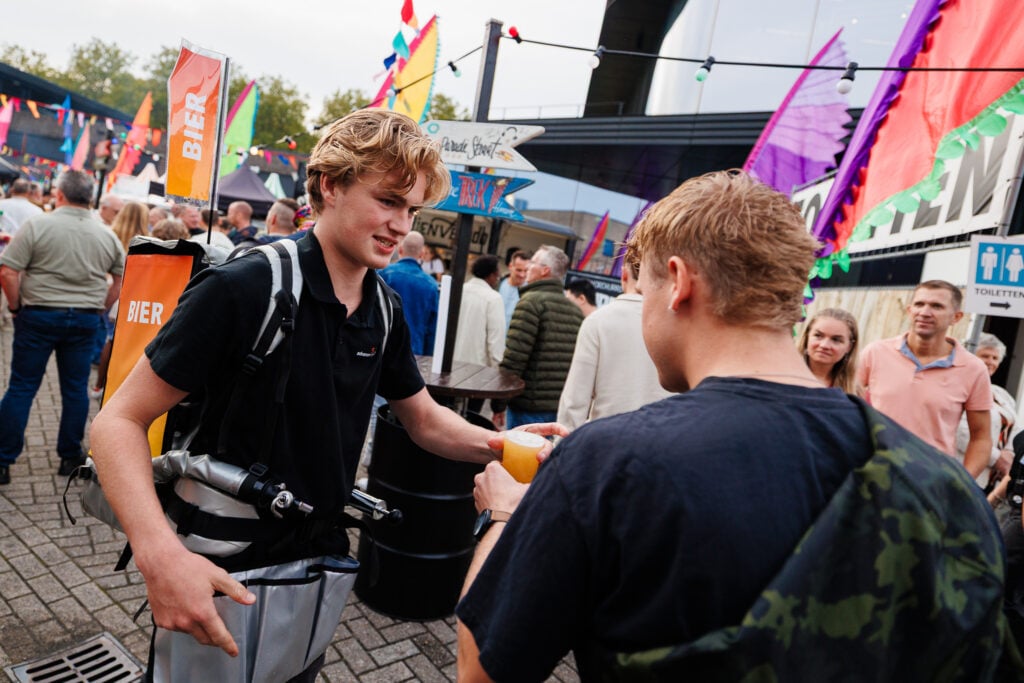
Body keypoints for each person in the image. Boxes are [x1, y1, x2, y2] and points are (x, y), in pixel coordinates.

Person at [456, 170, 1011, 682]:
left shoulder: (605, 465)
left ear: (677, 282)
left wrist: (505, 516)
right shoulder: (945, 487)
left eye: (643, 290)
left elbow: (485, 671)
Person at [89, 109, 504, 682]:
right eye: (388, 200)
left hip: (317, 567)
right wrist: (159, 555)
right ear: (329, 186)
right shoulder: (245, 286)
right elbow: (117, 422)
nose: (401, 225)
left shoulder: (384, 308)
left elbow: (426, 420)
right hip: (222, 569)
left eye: (411, 210)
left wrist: (508, 447)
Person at [0, 170, 124, 485]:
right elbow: (123, 279)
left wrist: (15, 308)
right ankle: (69, 456)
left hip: (38, 314)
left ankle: (2, 460)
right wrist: (101, 307)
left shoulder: (38, 225)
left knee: (22, 387)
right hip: (84, 318)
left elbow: (8, 272)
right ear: (90, 198)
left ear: (59, 194)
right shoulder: (106, 234)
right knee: (74, 388)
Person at [858, 280, 992, 477]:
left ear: (956, 317)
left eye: (936, 306)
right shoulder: (875, 353)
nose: (925, 312)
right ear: (909, 310)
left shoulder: (974, 369)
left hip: (929, 483)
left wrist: (961, 484)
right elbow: (845, 409)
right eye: (919, 304)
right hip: (872, 474)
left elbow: (981, 437)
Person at [557, 258, 670, 431]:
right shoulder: (678, 325)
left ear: (624, 274)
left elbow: (575, 401)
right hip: (661, 441)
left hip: (606, 439)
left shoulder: (597, 321)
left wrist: (562, 449)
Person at [496, 245, 583, 428]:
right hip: (558, 407)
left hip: (527, 406)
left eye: (533, 262)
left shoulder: (531, 302)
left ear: (545, 271)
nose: (528, 267)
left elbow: (515, 358)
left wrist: (498, 404)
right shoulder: (576, 311)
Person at [956, 332, 1016, 488]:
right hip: (967, 475)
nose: (990, 362)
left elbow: (1018, 426)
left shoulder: (1001, 394)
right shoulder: (959, 388)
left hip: (995, 480)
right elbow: (960, 431)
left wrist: (1009, 453)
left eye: (995, 358)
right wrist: (997, 458)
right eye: (985, 356)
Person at [454, 255, 507, 424]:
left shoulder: (459, 290)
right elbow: (495, 340)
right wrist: (496, 371)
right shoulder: (493, 298)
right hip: (478, 372)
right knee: (470, 419)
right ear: (491, 275)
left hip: (450, 368)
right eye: (497, 275)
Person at [380, 231, 439, 355]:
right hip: (414, 351)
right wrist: (428, 356)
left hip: (381, 346)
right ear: (422, 254)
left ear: (400, 249)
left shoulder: (383, 274)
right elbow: (432, 329)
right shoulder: (431, 285)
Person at [797, 307, 860, 393]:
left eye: (836, 340)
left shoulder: (855, 392)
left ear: (849, 347)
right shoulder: (782, 377)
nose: (824, 345)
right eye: (818, 335)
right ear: (807, 336)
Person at [498, 249, 529, 329]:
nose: (522, 275)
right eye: (519, 270)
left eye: (526, 271)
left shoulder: (532, 291)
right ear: (510, 266)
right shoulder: (497, 285)